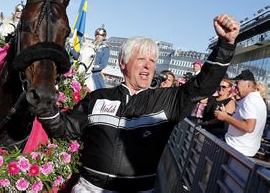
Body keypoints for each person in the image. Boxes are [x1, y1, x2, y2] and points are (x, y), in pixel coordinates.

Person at [31, 14, 239, 192]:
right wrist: (43, 106)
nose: (148, 66)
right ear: (122, 64)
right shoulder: (97, 97)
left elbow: (203, 85)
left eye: (152, 61)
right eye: (141, 59)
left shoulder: (168, 100)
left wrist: (226, 46)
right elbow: (66, 129)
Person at [215, 70, 267, 157]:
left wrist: (225, 117)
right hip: (243, 147)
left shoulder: (250, 100)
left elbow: (249, 127)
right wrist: (227, 115)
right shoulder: (256, 99)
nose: (235, 86)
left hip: (236, 147)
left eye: (237, 83)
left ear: (248, 85)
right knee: (215, 132)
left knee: (210, 134)